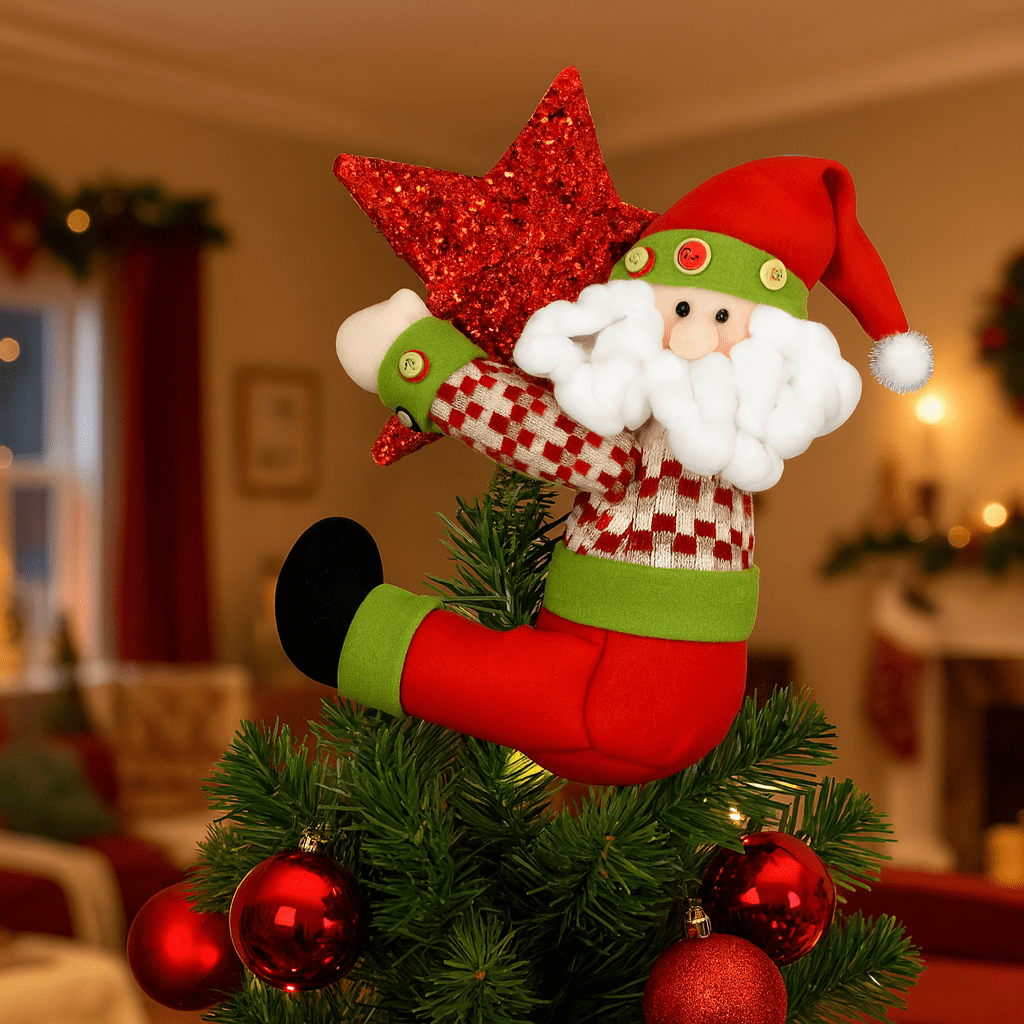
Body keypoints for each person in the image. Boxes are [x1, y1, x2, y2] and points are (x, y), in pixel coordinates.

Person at [275, 156, 932, 785]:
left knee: (493, 677)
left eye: (721, 316)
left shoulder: (651, 441)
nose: (694, 333)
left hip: (609, 688)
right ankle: (353, 630)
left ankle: (346, 630)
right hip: (704, 705)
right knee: (518, 679)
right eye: (676, 309)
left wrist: (417, 358)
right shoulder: (732, 445)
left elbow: (543, 435)